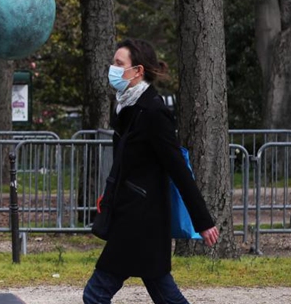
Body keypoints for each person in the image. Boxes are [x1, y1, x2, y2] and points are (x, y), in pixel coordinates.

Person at [83, 38, 220, 304]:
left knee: (95, 294)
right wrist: (108, 197)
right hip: (132, 216)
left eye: (119, 64)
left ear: (138, 71)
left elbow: (179, 169)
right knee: (163, 292)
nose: (113, 68)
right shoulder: (127, 106)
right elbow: (123, 165)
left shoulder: (154, 112)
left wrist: (202, 221)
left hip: (141, 220)